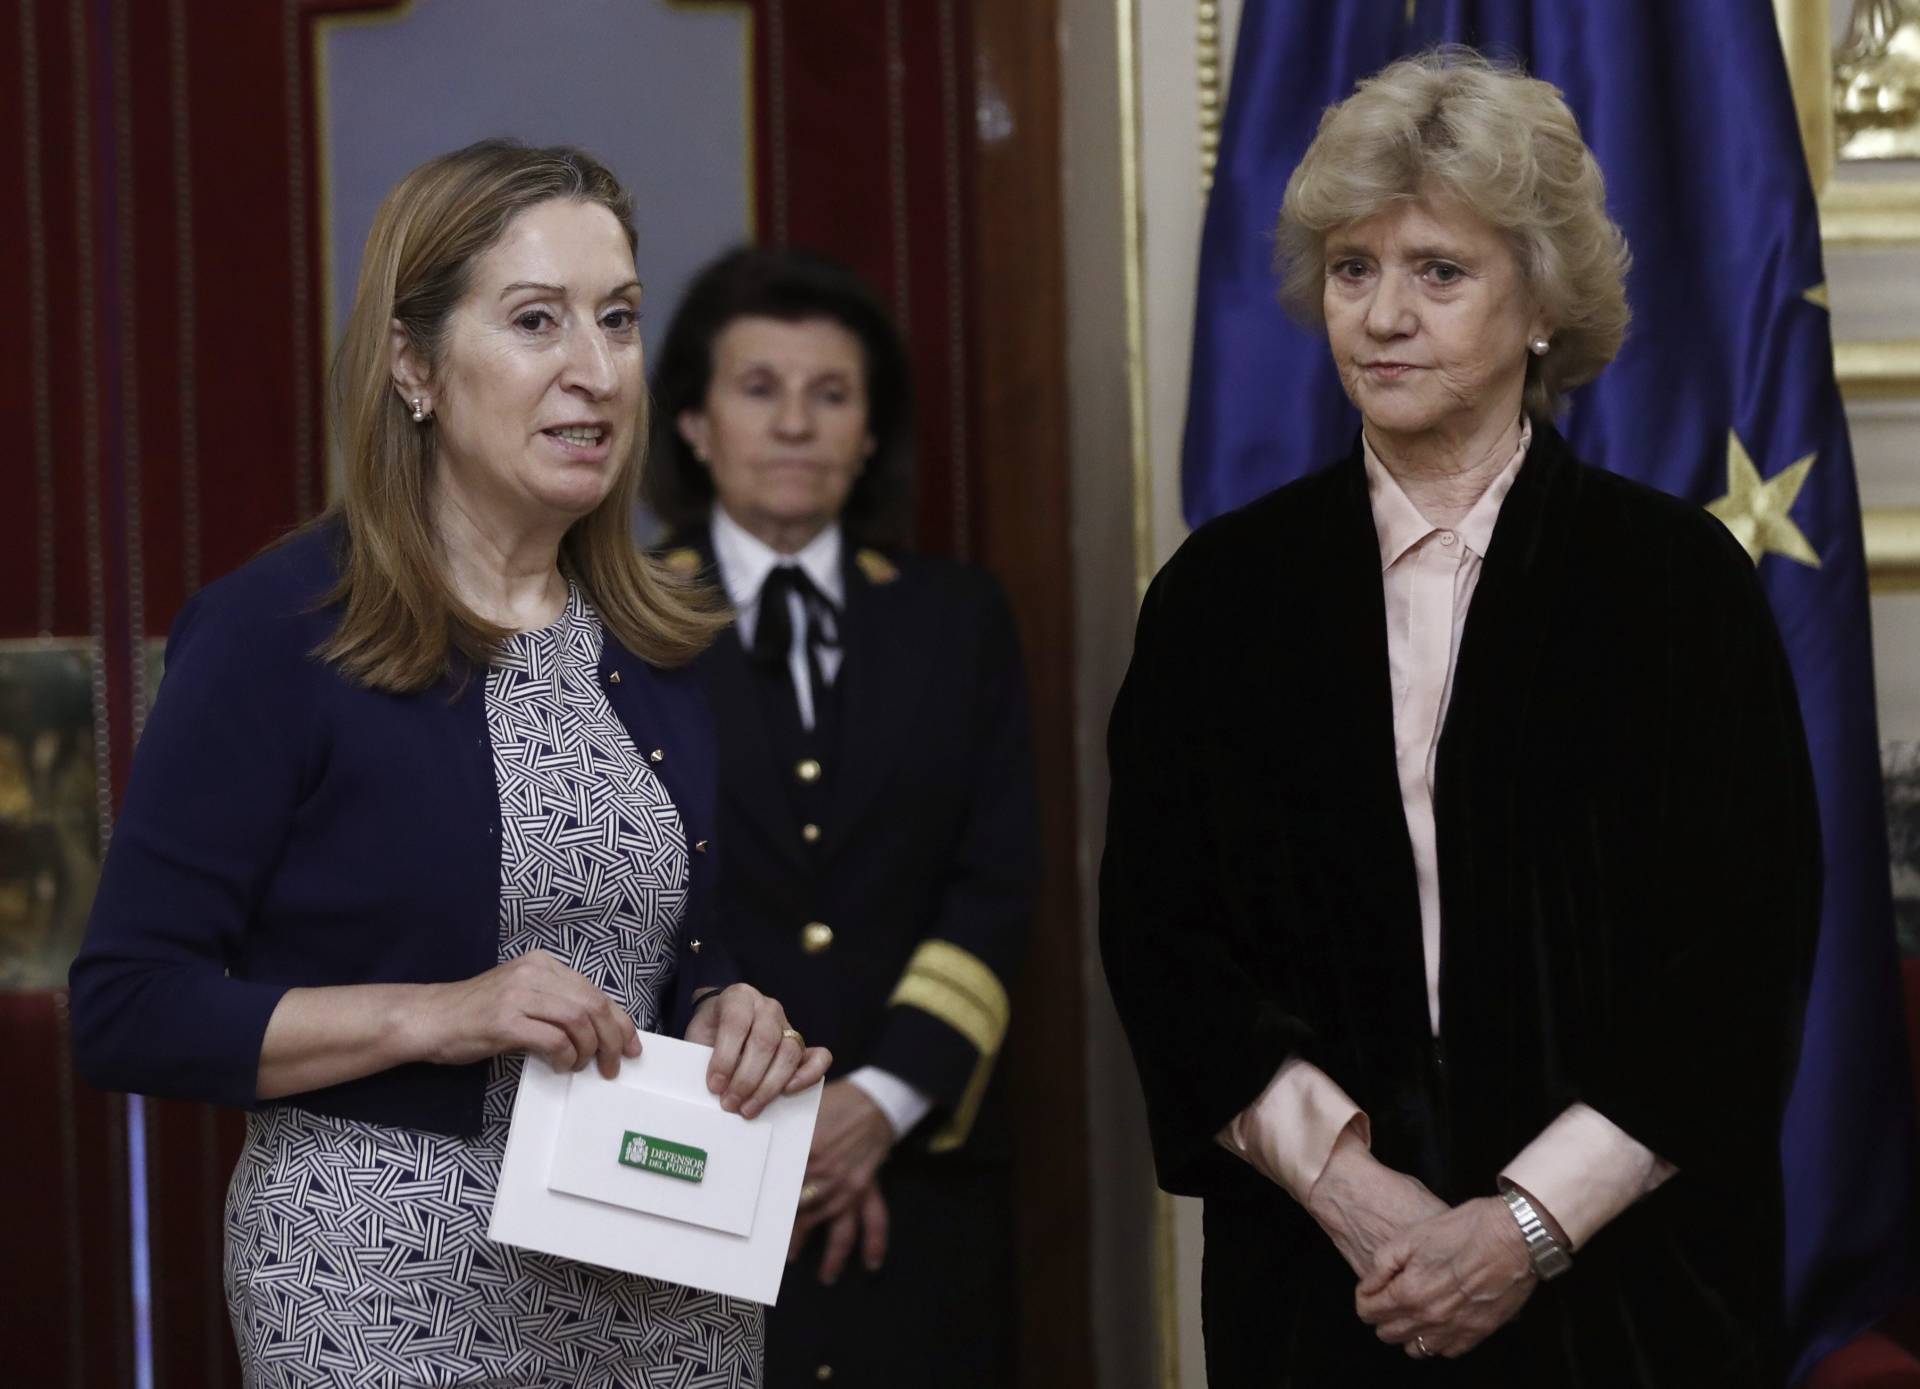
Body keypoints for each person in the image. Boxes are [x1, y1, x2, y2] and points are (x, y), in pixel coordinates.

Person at [1099, 50, 1821, 1387]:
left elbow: (1739, 960)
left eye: (1439, 271)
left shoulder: (1674, 588)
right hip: (1329, 1294)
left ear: (1543, 302)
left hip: (1630, 1301)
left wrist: (1526, 1225)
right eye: (1352, 268)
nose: (1381, 314)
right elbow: (1164, 939)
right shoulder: (1223, 596)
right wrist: (1361, 1199)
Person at [68, 140, 831, 1389]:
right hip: (380, 1278)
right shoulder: (281, 632)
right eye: (537, 321)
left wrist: (725, 1013)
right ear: (413, 366)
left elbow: (684, 945)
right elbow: (124, 1006)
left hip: (660, 1276)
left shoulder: (667, 640)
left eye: (620, 319)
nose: (595, 371)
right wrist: (443, 1014)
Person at [645, 246, 1037, 1387]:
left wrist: (877, 1104)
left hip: (918, 1174)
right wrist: (760, 1131)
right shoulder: (618, 629)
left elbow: (996, 883)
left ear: (870, 434)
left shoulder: (957, 622)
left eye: (832, 395)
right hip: (686, 1167)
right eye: (758, 389)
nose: (796, 424)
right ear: (694, 422)